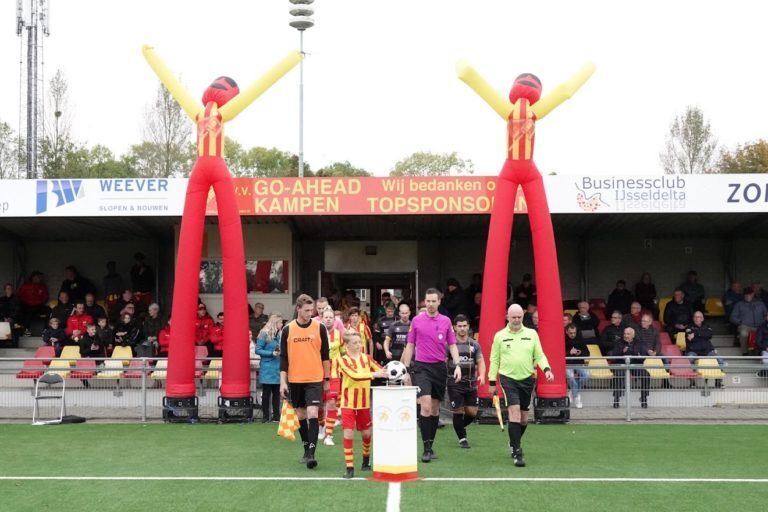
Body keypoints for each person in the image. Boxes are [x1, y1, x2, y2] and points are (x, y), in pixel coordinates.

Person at [489, 304, 554, 467]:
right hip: (507, 379)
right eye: (513, 317)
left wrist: (547, 369)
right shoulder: (500, 336)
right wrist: (491, 381)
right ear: (507, 317)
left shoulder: (532, 334)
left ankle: (513, 441)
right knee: (514, 413)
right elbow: (494, 360)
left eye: (519, 317)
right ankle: (517, 452)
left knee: (524, 419)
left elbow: (539, 355)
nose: (516, 320)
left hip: (527, 379)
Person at [402, 288, 461, 463]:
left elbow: (452, 345)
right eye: (427, 301)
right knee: (425, 406)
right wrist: (405, 369)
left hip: (439, 368)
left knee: (435, 409)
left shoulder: (446, 321)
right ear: (424, 302)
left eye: (433, 301)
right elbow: (410, 345)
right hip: (421, 367)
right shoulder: (417, 320)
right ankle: (426, 448)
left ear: (439, 302)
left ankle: (430, 444)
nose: (430, 304)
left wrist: (457, 365)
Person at [279, 294, 330, 470]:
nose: (310, 313)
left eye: (312, 310)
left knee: (312, 413)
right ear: (298, 309)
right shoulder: (288, 329)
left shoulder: (320, 328)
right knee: (300, 415)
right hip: (295, 379)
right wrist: (283, 382)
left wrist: (327, 379)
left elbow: (325, 356)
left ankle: (311, 454)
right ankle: (306, 448)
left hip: (315, 378)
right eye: (307, 310)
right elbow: (284, 359)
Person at [337, 329, 388, 479]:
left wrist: (396, 372)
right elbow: (355, 376)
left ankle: (366, 460)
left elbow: (381, 369)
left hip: (364, 403)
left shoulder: (366, 358)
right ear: (346, 345)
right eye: (355, 343)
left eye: (360, 342)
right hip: (348, 403)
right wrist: (374, 375)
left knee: (366, 434)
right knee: (348, 432)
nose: (359, 345)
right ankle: (349, 467)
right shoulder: (342, 360)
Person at [448, 315, 485, 448]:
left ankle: (458, 427)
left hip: (471, 383)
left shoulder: (474, 344)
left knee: (472, 412)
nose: (462, 328)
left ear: (468, 327)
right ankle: (462, 438)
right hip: (455, 383)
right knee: (458, 411)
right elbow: (443, 361)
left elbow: (480, 361)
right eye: (459, 326)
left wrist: (482, 375)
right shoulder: (450, 345)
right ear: (454, 327)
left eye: (464, 326)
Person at [609, 327, 651, 408]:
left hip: (635, 364)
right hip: (621, 365)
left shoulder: (639, 343)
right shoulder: (618, 342)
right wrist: (622, 352)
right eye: (625, 333)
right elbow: (614, 356)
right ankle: (616, 399)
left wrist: (638, 356)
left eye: (628, 334)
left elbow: (643, 356)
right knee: (618, 375)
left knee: (646, 375)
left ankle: (644, 398)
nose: (625, 335)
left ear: (633, 335)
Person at [321, 307, 344, 446]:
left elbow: (343, 352)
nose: (328, 319)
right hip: (318, 373)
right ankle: (320, 427)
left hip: (334, 373)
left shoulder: (338, 335)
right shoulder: (317, 333)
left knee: (331, 403)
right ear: (322, 318)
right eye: (326, 317)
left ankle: (328, 435)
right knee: (318, 406)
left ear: (334, 320)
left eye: (331, 317)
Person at [255, 314, 284, 423]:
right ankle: (265, 416)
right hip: (267, 367)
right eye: (280, 322)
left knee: (277, 393)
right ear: (275, 323)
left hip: (277, 366)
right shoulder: (264, 333)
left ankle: (277, 416)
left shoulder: (280, 334)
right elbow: (258, 350)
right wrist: (271, 353)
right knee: (266, 393)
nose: (282, 325)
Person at [730, 287, 768, 355]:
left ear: (753, 294)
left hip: (760, 326)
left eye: (749, 294)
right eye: (746, 295)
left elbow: (766, 314)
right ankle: (745, 352)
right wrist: (741, 322)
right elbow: (733, 317)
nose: (747, 296)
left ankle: (762, 351)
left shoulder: (760, 304)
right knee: (743, 333)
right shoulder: (739, 304)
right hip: (746, 326)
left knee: (764, 334)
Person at [564, 324, 590, 409]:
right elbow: (558, 353)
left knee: (586, 375)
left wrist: (580, 352)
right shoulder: (562, 339)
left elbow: (587, 353)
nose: (573, 335)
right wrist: (569, 353)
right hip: (567, 364)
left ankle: (573, 392)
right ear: (566, 332)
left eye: (574, 333)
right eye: (571, 333)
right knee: (570, 376)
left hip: (579, 363)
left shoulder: (580, 339)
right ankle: (577, 396)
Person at [0, 283, 22, 347]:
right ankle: (2, 344)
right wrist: (4, 318)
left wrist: (11, 318)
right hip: (3, 319)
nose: (9, 290)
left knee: (12, 325)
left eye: (11, 288)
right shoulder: (1, 300)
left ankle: (11, 344)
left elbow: (17, 311)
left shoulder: (16, 300)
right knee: (2, 324)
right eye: (8, 288)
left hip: (14, 319)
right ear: (5, 290)